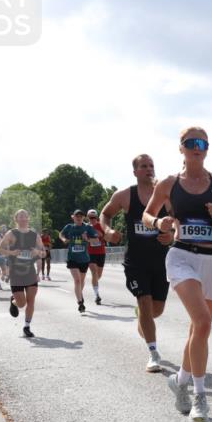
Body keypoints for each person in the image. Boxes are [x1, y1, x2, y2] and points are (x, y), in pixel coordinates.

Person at [143, 126, 212, 422]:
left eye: (202, 143)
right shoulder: (169, 183)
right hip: (182, 257)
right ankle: (199, 396)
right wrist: (159, 223)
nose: (197, 147)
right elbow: (147, 214)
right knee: (202, 322)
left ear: (207, 149)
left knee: (199, 330)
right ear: (181, 147)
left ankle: (179, 381)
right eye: (191, 142)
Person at [100, 153, 173, 373]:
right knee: (145, 302)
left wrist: (171, 235)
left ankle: (142, 317)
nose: (149, 169)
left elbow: (178, 220)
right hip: (136, 261)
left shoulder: (165, 194)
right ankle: (153, 354)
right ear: (135, 172)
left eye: (151, 165)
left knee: (156, 310)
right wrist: (107, 231)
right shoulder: (125, 195)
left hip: (161, 260)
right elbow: (105, 214)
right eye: (143, 166)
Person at [0, 209, 43, 337]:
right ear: (16, 219)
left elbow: (44, 253)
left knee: (31, 301)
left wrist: (37, 252)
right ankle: (13, 301)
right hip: (16, 273)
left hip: (30, 273)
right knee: (22, 303)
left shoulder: (35, 235)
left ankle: (27, 327)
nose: (23, 218)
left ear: (28, 218)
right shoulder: (11, 234)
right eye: (20, 216)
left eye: (25, 216)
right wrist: (11, 252)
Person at [59, 210, 101, 313]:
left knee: (81, 281)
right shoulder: (69, 227)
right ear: (73, 217)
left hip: (84, 259)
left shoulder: (88, 228)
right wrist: (64, 239)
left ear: (83, 218)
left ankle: (79, 295)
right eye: (76, 216)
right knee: (77, 280)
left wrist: (87, 239)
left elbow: (97, 241)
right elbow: (61, 234)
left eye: (80, 216)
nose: (78, 218)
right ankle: (80, 302)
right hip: (72, 258)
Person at [86, 209, 107, 304]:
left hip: (101, 252)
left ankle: (94, 283)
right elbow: (83, 238)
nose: (92, 219)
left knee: (99, 275)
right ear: (88, 218)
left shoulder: (101, 225)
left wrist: (102, 235)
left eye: (94, 217)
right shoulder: (85, 227)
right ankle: (97, 295)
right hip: (90, 253)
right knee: (94, 273)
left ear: (97, 217)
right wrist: (88, 239)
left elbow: (106, 237)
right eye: (90, 218)